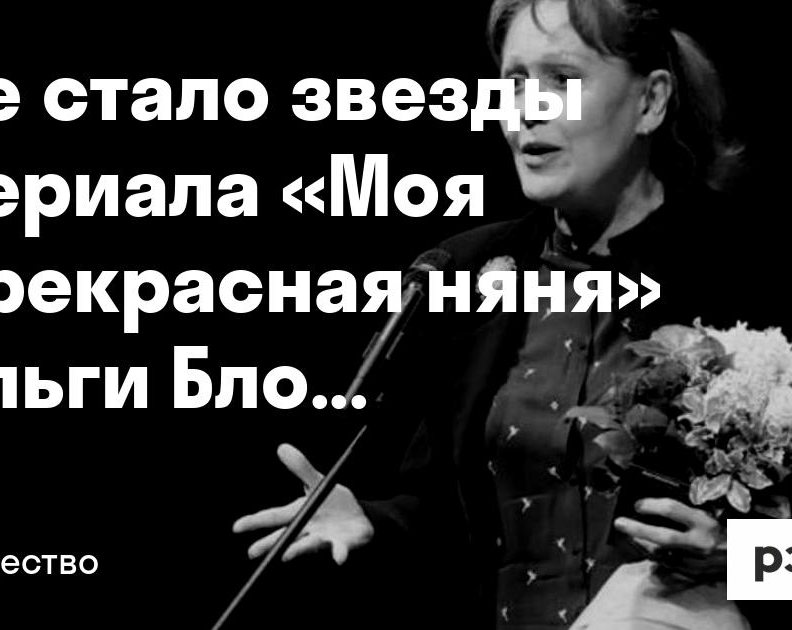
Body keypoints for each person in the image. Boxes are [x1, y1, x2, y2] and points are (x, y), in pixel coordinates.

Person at [233, 1, 748, 627]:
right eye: (514, 83)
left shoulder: (751, 271)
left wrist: (742, 558)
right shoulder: (468, 271)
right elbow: (450, 517)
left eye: (563, 79)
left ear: (651, 101)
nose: (527, 109)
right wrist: (377, 522)